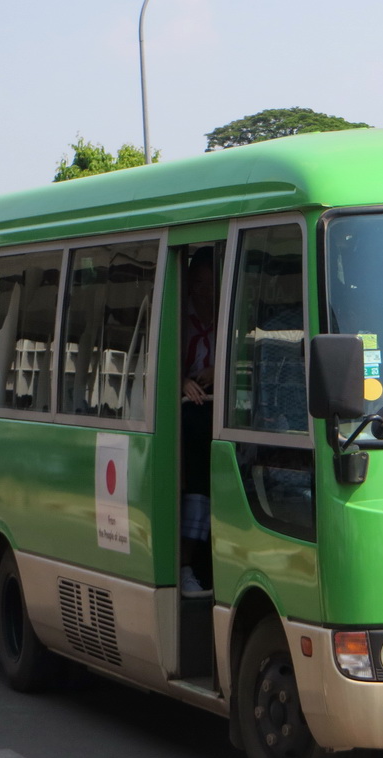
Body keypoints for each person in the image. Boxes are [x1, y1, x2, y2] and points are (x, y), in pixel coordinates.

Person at [180, 248, 216, 597]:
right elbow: (153, 366)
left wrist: (215, 372)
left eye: (212, 284)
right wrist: (182, 381)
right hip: (186, 416)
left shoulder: (228, 319)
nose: (206, 291)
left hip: (217, 411)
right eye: (199, 283)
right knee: (197, 480)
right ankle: (186, 566)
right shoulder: (178, 319)